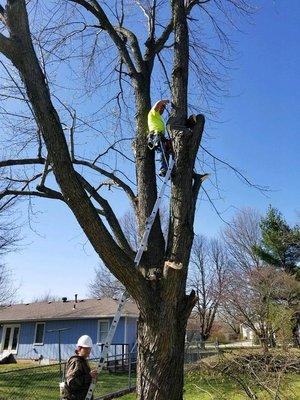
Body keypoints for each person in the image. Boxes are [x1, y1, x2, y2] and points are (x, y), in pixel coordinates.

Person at [62, 335, 98, 400]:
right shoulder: (76, 361)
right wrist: (89, 376)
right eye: (86, 348)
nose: (89, 351)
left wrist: (92, 378)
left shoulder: (83, 360)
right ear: (79, 349)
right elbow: (72, 383)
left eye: (89, 348)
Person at [147, 99, 172, 177]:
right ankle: (163, 169)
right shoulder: (153, 113)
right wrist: (164, 101)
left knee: (166, 153)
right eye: (162, 107)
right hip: (156, 135)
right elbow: (158, 103)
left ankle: (167, 169)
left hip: (161, 136)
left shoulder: (159, 118)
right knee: (162, 152)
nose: (162, 109)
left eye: (164, 108)